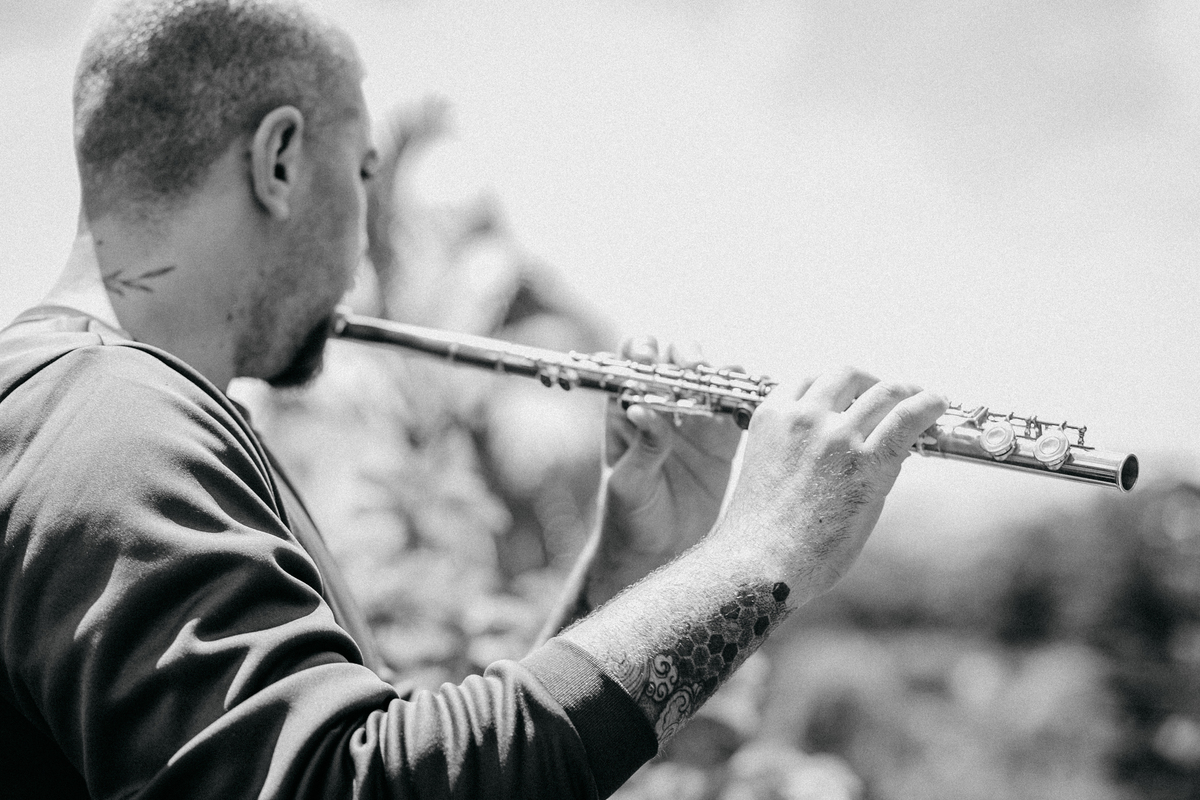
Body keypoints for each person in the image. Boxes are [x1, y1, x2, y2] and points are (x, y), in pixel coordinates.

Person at [0, 1, 948, 798]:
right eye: (362, 174)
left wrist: (624, 579)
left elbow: (397, 762)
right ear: (280, 159)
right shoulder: (113, 419)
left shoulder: (101, 413)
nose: (366, 238)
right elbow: (348, 785)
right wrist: (760, 556)